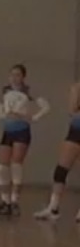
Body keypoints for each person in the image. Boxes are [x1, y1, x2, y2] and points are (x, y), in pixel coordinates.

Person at [0, 64, 49, 217]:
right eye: (12, 74)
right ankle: (5, 200)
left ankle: (14, 200)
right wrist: (5, 115)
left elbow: (45, 106)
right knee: (2, 166)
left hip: (21, 130)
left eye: (18, 75)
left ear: (23, 77)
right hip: (8, 130)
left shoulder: (28, 91)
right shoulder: (5, 91)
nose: (14, 78)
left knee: (16, 164)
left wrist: (32, 117)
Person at [33, 80, 80, 223]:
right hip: (76, 129)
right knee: (61, 169)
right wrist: (75, 92)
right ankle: (53, 207)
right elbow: (72, 109)